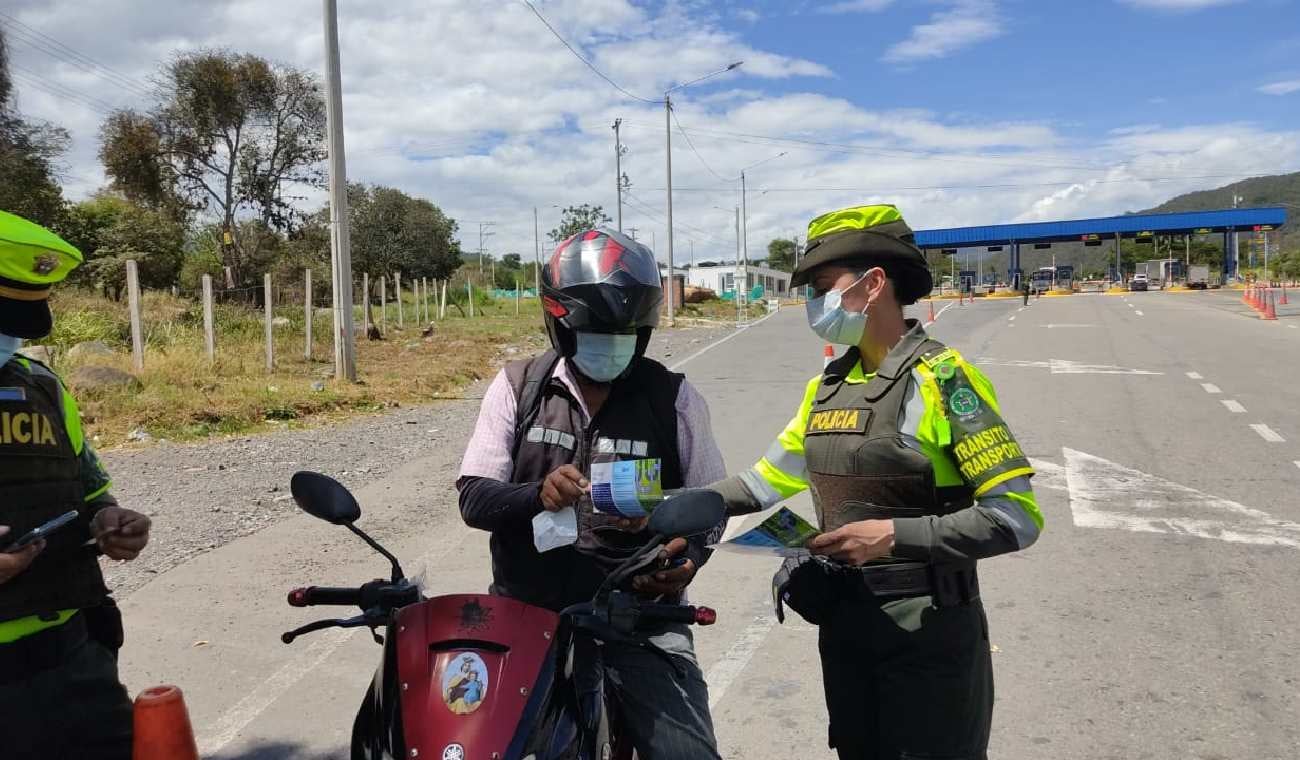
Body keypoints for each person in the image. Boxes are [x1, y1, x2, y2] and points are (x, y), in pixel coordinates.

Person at [709, 204, 1042, 760]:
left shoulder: (942, 379)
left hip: (927, 638)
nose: (814, 304)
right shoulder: (827, 388)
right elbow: (766, 480)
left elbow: (1015, 518)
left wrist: (891, 536)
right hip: (846, 632)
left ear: (873, 284)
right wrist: (684, 503)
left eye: (823, 287)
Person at [457, 228, 726, 759]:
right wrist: (537, 495)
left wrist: (687, 557)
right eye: (595, 332)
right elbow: (474, 497)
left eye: (624, 333)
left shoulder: (673, 398)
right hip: (528, 612)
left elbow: (712, 507)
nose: (610, 345)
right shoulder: (518, 387)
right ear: (559, 323)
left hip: (642, 617)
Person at [0, 210, 152, 760]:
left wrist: (112, 521)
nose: (8, 337)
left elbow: (86, 491)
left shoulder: (41, 386)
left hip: (74, 665)